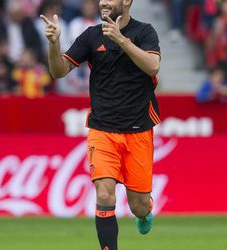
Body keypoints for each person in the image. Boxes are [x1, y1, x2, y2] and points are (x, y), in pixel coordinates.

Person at [40, 0, 161, 249]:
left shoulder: (144, 31)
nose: (103, 1)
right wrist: (54, 45)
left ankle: (145, 209)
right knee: (104, 193)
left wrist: (121, 40)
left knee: (137, 206)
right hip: (102, 129)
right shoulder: (91, 36)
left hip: (138, 130)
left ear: (126, 1)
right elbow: (59, 71)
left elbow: (153, 66)